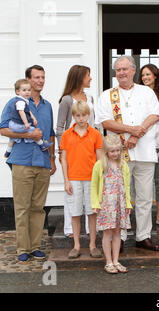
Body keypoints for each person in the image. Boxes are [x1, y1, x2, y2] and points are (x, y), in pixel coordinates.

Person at [95, 55, 159, 252]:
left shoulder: (146, 93)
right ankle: (120, 237)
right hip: (119, 155)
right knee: (120, 197)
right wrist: (132, 130)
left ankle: (143, 236)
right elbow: (105, 122)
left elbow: (155, 115)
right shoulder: (108, 95)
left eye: (124, 69)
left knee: (145, 197)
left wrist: (137, 133)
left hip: (145, 152)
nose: (121, 73)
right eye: (118, 70)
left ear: (133, 70)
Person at [0, 65, 56, 262]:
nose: (40, 81)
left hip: (43, 162)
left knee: (38, 207)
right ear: (28, 80)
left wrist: (52, 159)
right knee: (22, 207)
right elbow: (3, 129)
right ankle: (22, 248)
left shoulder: (48, 105)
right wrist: (27, 134)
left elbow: (50, 134)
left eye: (43, 77)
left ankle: (36, 247)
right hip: (22, 161)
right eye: (36, 77)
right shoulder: (15, 103)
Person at [60, 100, 103, 259]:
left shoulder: (95, 134)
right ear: (73, 116)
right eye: (78, 115)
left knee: (92, 213)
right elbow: (63, 159)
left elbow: (99, 159)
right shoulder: (66, 135)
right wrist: (66, 180)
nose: (81, 118)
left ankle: (92, 245)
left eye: (84, 115)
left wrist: (100, 181)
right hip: (73, 179)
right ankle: (76, 245)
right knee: (75, 213)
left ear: (88, 115)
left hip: (91, 179)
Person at [57, 65, 96, 238]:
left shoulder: (91, 97)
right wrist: (61, 150)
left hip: (91, 147)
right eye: (88, 75)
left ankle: (90, 228)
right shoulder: (66, 100)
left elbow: (95, 124)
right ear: (80, 77)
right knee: (72, 188)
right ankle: (70, 229)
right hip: (72, 148)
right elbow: (60, 127)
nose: (91, 78)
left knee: (91, 189)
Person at [91, 134, 132, 274]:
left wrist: (128, 204)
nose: (115, 153)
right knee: (107, 232)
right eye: (112, 151)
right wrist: (95, 203)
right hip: (106, 204)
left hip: (119, 203)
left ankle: (116, 260)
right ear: (106, 151)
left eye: (118, 150)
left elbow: (127, 186)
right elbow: (94, 185)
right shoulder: (100, 165)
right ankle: (108, 261)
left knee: (117, 232)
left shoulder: (123, 165)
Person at [138, 63, 159, 228]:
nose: (145, 78)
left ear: (155, 76)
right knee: (142, 182)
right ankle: (143, 218)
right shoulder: (138, 93)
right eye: (143, 75)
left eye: (148, 74)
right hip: (142, 140)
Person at [4, 79, 53, 158]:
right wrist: (26, 123)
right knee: (34, 132)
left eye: (29, 90)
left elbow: (28, 111)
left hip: (13, 124)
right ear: (17, 91)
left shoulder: (24, 101)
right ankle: (42, 145)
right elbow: (21, 112)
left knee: (12, 138)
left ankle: (8, 151)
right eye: (24, 90)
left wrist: (33, 118)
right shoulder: (20, 102)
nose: (27, 92)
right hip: (18, 124)